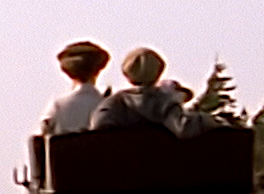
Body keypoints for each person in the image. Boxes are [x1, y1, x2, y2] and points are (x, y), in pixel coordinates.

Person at [20, 40, 109, 194]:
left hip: (64, 186)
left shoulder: (59, 105)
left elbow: (41, 138)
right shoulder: (107, 104)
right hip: (102, 184)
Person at [89, 47, 218, 138]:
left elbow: (98, 129)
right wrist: (210, 120)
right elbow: (183, 128)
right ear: (159, 71)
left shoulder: (114, 102)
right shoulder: (163, 101)